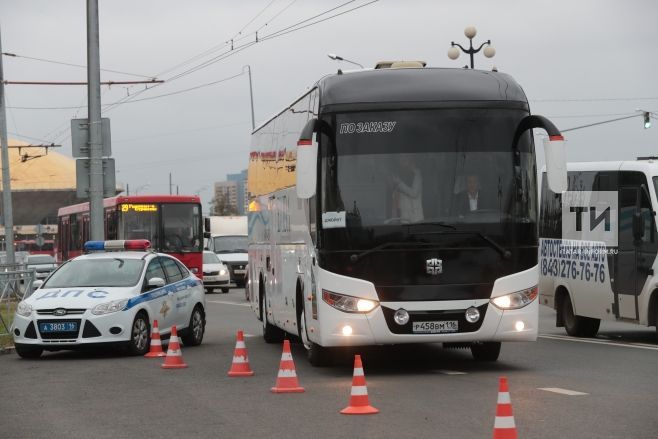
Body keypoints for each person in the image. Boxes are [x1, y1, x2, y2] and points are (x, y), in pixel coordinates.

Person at [390, 156, 424, 223]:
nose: (402, 163)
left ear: (412, 162)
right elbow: (395, 202)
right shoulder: (400, 175)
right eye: (401, 161)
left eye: (404, 160)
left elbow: (414, 193)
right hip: (404, 218)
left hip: (416, 219)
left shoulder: (417, 174)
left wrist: (399, 183)